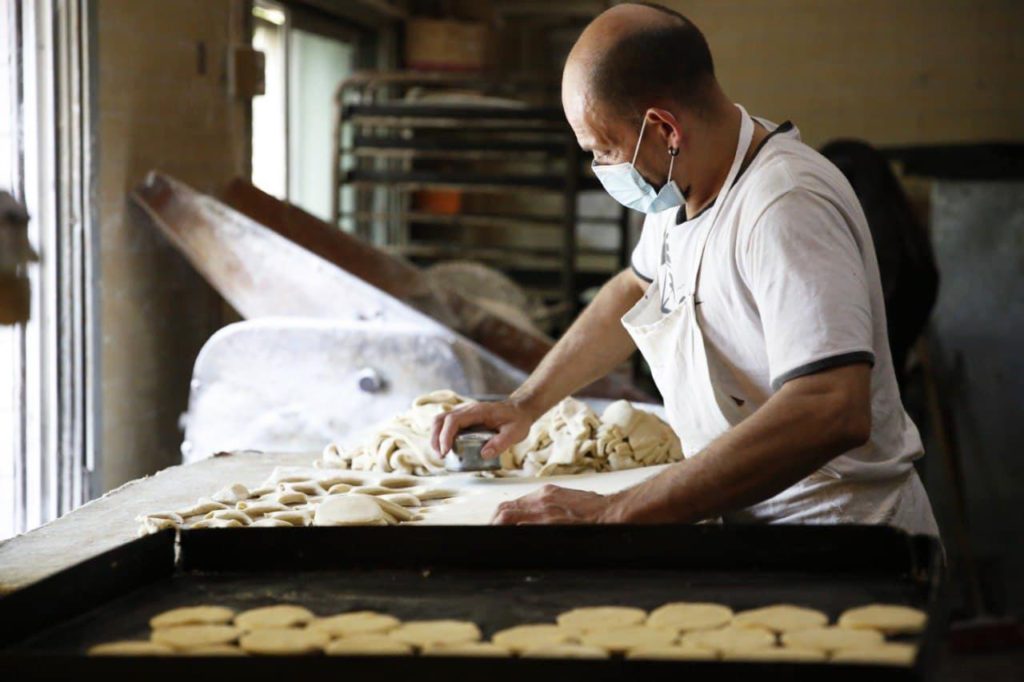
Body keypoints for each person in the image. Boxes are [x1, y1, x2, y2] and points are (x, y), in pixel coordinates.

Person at [431, 2, 938, 535]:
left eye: (604, 150)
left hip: (837, 535)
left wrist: (613, 511)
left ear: (665, 129)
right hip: (749, 514)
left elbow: (833, 407)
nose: (602, 168)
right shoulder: (683, 188)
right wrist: (524, 404)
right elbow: (633, 290)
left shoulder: (783, 206)